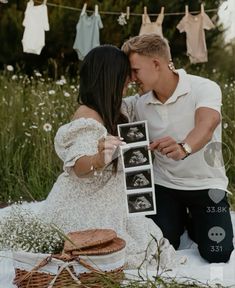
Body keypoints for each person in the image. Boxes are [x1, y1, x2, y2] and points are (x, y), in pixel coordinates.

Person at [39, 45, 180, 269]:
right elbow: (79, 165)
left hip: (114, 200)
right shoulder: (88, 116)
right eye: (125, 74)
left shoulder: (118, 108)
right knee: (126, 247)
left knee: (148, 237)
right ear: (110, 77)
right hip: (87, 203)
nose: (130, 79)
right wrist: (97, 159)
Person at [121, 34, 234, 263]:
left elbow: (208, 123)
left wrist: (185, 147)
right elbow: (103, 105)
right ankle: (176, 221)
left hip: (206, 185)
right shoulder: (138, 103)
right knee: (159, 247)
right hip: (165, 186)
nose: (132, 78)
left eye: (135, 71)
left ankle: (194, 220)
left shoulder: (204, 87)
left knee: (218, 253)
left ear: (156, 64)